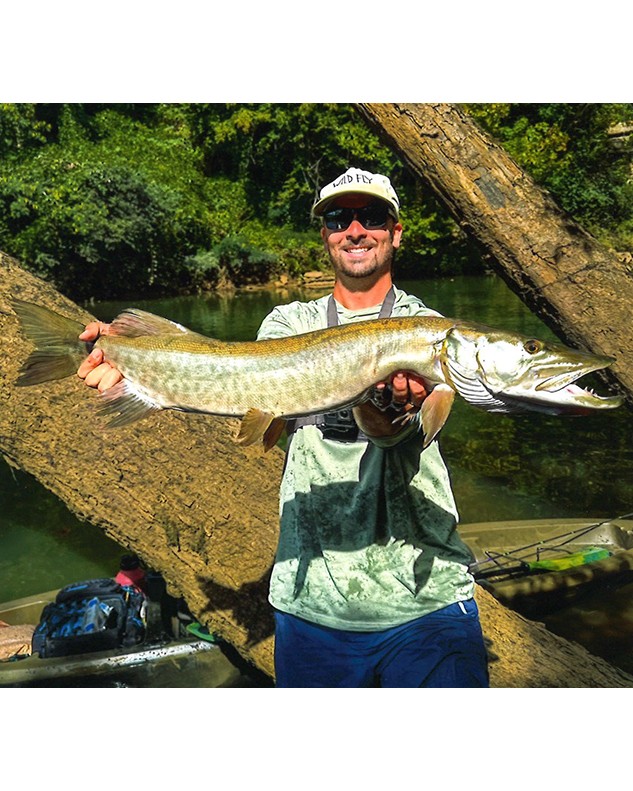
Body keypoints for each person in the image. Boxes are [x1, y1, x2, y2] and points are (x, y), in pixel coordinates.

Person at [77, 166, 489, 688]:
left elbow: (401, 436)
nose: (355, 230)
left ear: (396, 230)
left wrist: (387, 420)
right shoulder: (287, 323)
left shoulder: (425, 324)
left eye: (372, 217)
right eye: (340, 218)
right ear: (325, 235)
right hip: (311, 598)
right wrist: (130, 359)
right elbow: (250, 407)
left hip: (426, 598)